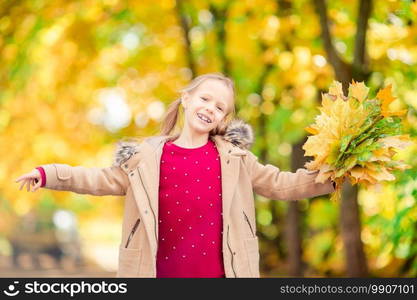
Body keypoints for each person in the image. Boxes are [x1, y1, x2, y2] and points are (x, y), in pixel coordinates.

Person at [15, 72, 335, 278]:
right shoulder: (147, 158)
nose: (210, 108)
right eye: (204, 98)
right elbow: (99, 179)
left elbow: (281, 184)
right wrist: (49, 173)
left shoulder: (235, 159)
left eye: (220, 107)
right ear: (186, 99)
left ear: (224, 117)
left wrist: (332, 175)